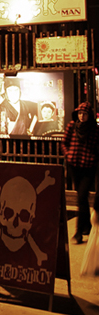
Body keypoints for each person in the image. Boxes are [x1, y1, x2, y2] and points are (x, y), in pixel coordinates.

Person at [62, 101, 99, 244]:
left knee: (82, 197)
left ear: (89, 115)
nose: (82, 116)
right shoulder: (72, 126)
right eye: (80, 113)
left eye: (84, 114)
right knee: (80, 196)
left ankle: (78, 232)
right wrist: (68, 154)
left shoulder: (95, 129)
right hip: (74, 166)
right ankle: (87, 227)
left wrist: (94, 158)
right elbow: (64, 142)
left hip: (88, 167)